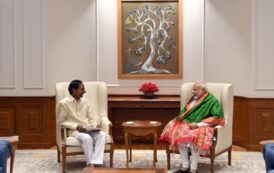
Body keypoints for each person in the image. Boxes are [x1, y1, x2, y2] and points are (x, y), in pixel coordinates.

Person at [159, 81, 225, 173]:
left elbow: (216, 118)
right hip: (189, 124)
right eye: (192, 89)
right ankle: (185, 167)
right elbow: (185, 114)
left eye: (195, 89)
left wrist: (198, 125)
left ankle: (193, 169)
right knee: (180, 133)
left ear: (203, 90)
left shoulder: (212, 101)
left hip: (203, 126)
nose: (193, 92)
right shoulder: (193, 99)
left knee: (194, 139)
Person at [57, 80, 106, 171]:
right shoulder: (63, 103)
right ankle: (90, 164)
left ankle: (94, 162)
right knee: (87, 138)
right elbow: (61, 121)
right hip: (75, 131)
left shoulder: (85, 101)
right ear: (73, 90)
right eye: (82, 89)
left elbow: (91, 117)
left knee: (102, 135)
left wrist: (95, 125)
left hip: (88, 128)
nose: (84, 91)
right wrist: (76, 126)